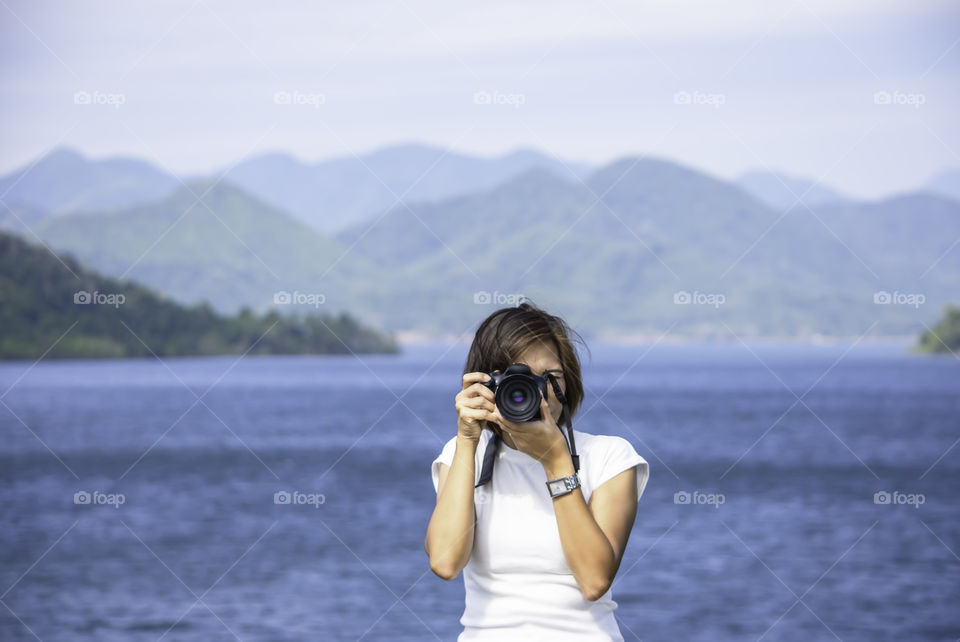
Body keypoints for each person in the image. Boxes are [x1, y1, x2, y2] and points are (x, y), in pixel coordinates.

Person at [424, 302, 650, 641]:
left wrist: (556, 461)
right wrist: (467, 440)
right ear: (486, 383)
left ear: (568, 384)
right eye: (518, 379)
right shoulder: (460, 456)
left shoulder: (609, 458)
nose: (535, 391)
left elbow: (594, 581)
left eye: (551, 378)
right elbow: (445, 562)